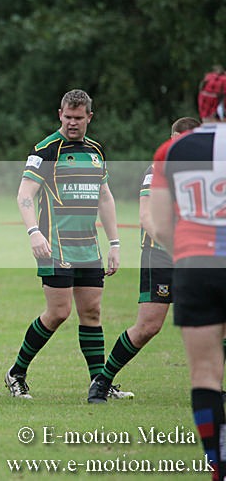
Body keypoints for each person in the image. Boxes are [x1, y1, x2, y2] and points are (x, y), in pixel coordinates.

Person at [4, 89, 127, 401]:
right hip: (54, 245)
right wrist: (34, 232)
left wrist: (114, 243)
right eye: (68, 117)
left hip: (88, 246)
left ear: (89, 117)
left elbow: (105, 197)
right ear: (60, 114)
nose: (72, 122)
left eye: (78, 117)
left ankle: (99, 383)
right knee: (58, 312)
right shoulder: (46, 150)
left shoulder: (96, 151)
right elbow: (24, 195)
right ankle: (16, 372)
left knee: (92, 312)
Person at [88, 116, 201, 403]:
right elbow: (146, 216)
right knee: (149, 326)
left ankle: (213, 388)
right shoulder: (157, 171)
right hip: (161, 255)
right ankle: (102, 381)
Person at [150, 119, 226, 480]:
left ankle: (217, 464)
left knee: (205, 374)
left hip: (196, 266)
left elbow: (161, 226)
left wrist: (185, 254)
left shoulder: (172, 150)